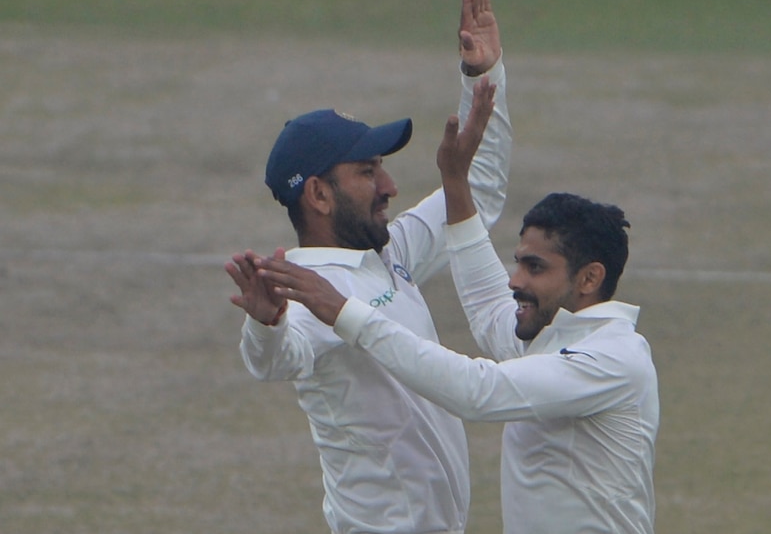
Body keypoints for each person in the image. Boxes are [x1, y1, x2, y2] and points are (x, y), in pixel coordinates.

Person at [257, 119, 659, 533]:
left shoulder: (610, 360)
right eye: (519, 263)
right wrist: (459, 160)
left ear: (589, 279)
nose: (515, 281)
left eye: (535, 268)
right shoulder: (550, 335)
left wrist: (346, 312)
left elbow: (479, 392)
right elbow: (489, 307)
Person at [224, 0, 512, 534]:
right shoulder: (306, 293)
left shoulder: (389, 247)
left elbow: (482, 189)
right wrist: (266, 326)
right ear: (318, 194)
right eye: (367, 171)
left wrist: (483, 76)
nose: (389, 185)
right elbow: (278, 361)